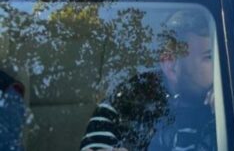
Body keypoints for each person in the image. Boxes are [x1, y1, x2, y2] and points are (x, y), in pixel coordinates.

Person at [80, 10, 216, 151]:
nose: (221, 67)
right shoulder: (121, 108)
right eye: (210, 57)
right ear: (171, 65)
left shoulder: (226, 111)